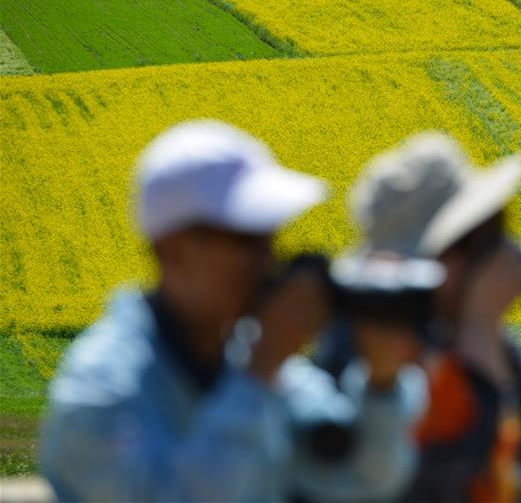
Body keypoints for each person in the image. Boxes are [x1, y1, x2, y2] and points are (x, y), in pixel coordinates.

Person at [39, 120, 426, 502]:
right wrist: (259, 375)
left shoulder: (248, 360)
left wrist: (382, 380)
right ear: (171, 249)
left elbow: (359, 477)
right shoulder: (101, 392)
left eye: (270, 237)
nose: (269, 260)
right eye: (245, 239)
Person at [316, 133, 521, 502]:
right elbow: (449, 475)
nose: (501, 251)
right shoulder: (374, 342)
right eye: (484, 238)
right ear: (440, 257)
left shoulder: (457, 325)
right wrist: (480, 329)